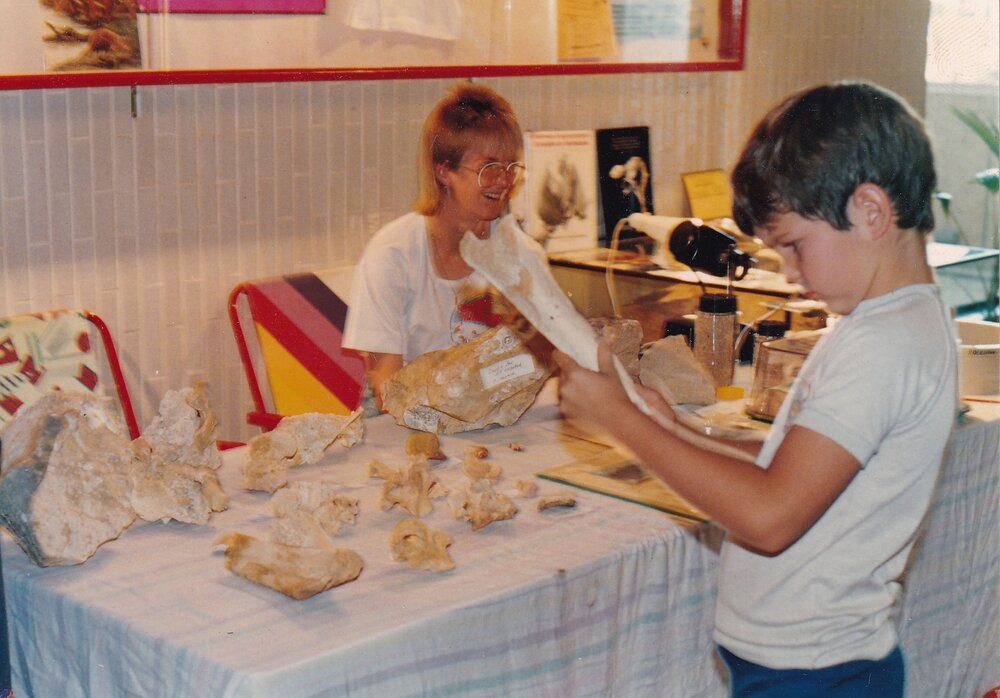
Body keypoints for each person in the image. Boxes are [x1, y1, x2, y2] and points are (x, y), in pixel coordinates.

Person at [554, 81, 957, 697]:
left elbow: (769, 515)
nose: (791, 275)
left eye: (795, 246)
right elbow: (792, 466)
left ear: (871, 210)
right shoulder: (889, 324)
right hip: (813, 666)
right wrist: (674, 427)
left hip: (819, 675)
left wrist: (622, 423)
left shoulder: (884, 346)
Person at [343, 81, 525, 409]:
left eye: (511, 167)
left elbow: (531, 360)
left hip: (486, 413)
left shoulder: (519, 251)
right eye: (489, 167)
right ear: (444, 171)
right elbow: (388, 387)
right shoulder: (392, 254)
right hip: (406, 417)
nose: (504, 180)